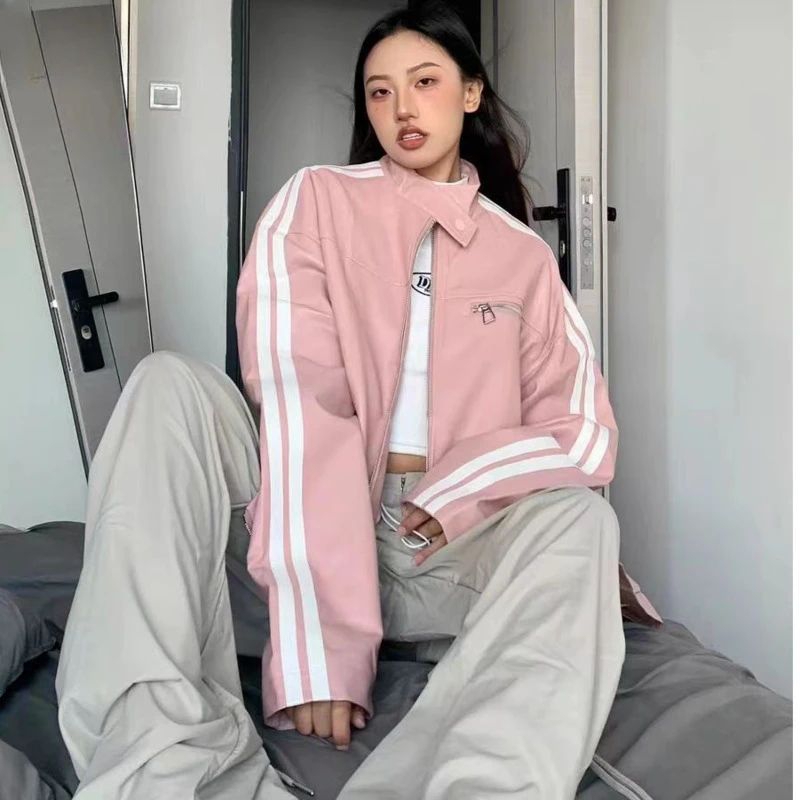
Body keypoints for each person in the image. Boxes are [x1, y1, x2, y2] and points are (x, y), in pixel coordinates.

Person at [55, 2, 662, 798]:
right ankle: (162, 768)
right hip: (299, 534)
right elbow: (304, 404)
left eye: (425, 82)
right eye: (380, 91)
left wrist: (463, 488)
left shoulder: (521, 255)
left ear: (471, 93)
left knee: (582, 518)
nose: (402, 108)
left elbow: (582, 430)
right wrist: (321, 647)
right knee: (167, 385)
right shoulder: (314, 201)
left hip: (445, 551)